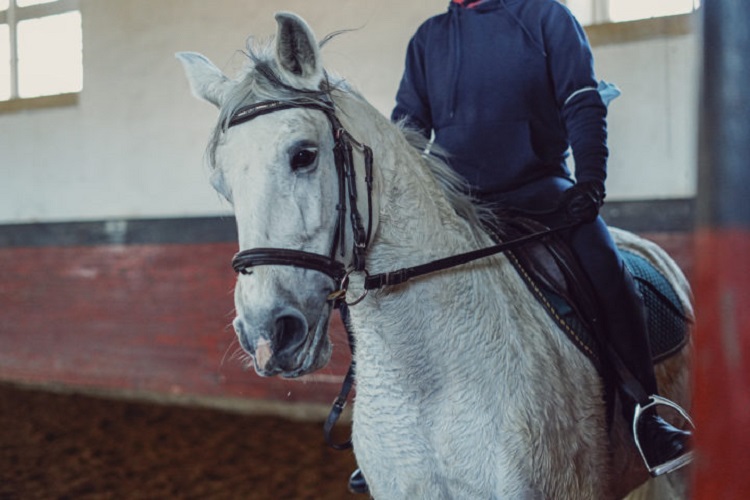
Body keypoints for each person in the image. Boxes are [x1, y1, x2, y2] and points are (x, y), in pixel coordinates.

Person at [348, 0, 691, 493]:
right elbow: (409, 129)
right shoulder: (429, 38)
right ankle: (395, 436)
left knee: (610, 273)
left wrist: (590, 182)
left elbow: (581, 100)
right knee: (381, 289)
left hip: (540, 194)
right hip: (458, 206)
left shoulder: (547, 18)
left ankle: (647, 420)